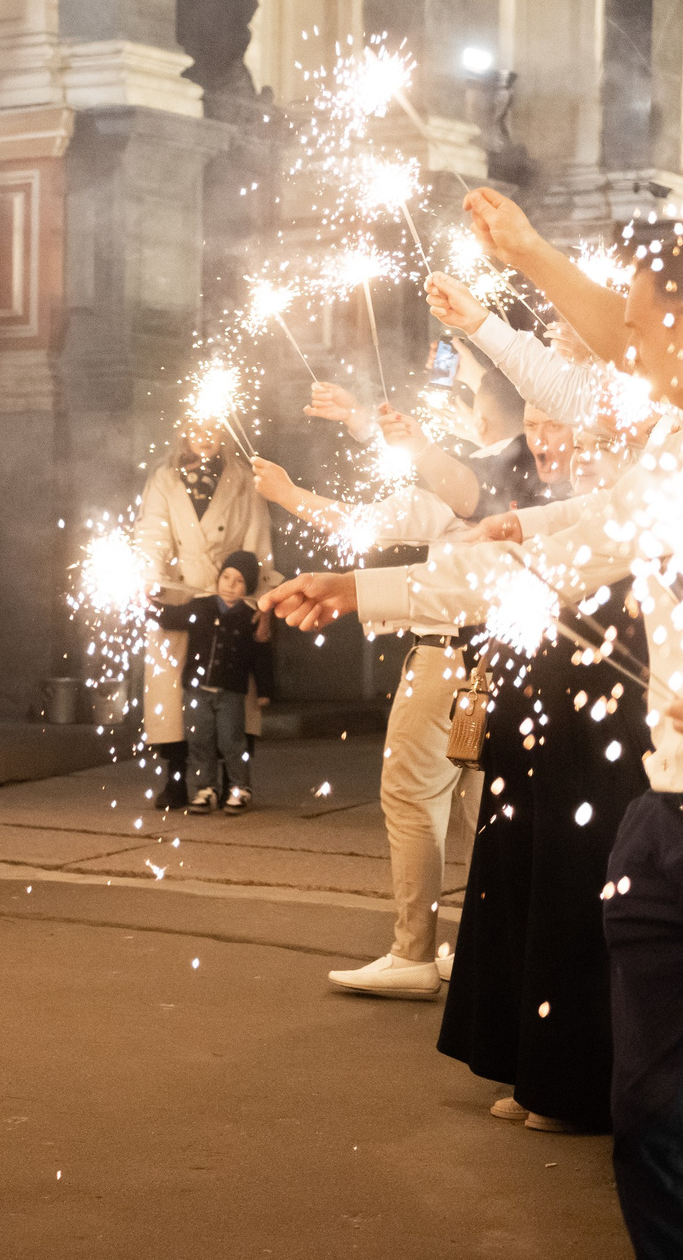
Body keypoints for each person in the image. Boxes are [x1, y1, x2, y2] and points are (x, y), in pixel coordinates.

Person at [270, 201, 683, 1260]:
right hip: (665, 819)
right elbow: (566, 547)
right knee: (654, 1111)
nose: (624, 348)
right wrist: (362, 586)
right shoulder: (676, 454)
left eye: (641, 323)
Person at [253, 448, 477, 999]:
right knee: (484, 808)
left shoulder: (461, 484)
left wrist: (288, 494)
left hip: (447, 656)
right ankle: (487, 944)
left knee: (412, 797)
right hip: (494, 659)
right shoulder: (521, 483)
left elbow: (365, 523)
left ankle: (412, 953)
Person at [133, 427, 272, 806]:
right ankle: (178, 777)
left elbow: (258, 540)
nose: (205, 436)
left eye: (213, 427)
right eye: (196, 427)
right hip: (180, 595)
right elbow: (152, 532)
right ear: (183, 431)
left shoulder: (244, 479)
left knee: (232, 696)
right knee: (173, 698)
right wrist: (149, 575)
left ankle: (232, 780)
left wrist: (261, 601)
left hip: (232, 595)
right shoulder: (165, 478)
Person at [150, 551, 271, 812]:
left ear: (248, 587)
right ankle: (205, 789)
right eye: (226, 577)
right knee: (199, 741)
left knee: (232, 741)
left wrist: (265, 689)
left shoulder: (249, 617)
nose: (230, 585)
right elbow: (172, 617)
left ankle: (239, 787)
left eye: (239, 581)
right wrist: (148, 606)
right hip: (196, 691)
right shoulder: (201, 607)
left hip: (230, 693)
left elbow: (260, 655)